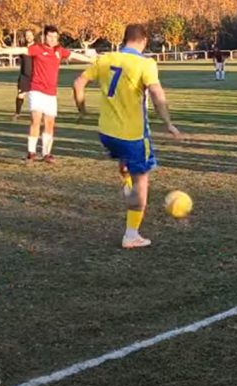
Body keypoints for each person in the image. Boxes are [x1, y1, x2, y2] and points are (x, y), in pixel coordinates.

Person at [73, 23, 184, 249]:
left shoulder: (105, 59)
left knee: (124, 163)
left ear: (125, 40)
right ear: (143, 41)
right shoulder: (145, 63)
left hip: (106, 132)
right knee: (142, 181)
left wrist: (82, 109)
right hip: (132, 135)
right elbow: (156, 94)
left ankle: (126, 184)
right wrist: (169, 123)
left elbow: (78, 84)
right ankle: (131, 234)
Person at [0, 25, 92, 163]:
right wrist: (2, 50)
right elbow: (22, 49)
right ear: (44, 37)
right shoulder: (38, 48)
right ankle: (31, 152)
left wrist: (93, 60)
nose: (52, 39)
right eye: (50, 36)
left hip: (51, 93)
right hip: (36, 90)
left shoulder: (59, 51)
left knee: (49, 123)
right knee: (36, 120)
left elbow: (74, 55)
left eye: (55, 37)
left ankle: (46, 154)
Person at [12, 30, 35, 120]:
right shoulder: (23, 49)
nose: (28, 37)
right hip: (24, 76)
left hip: (35, 76)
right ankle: (17, 113)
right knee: (20, 95)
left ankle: (36, 114)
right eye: (26, 35)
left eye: (30, 35)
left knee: (34, 96)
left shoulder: (37, 47)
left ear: (33, 36)